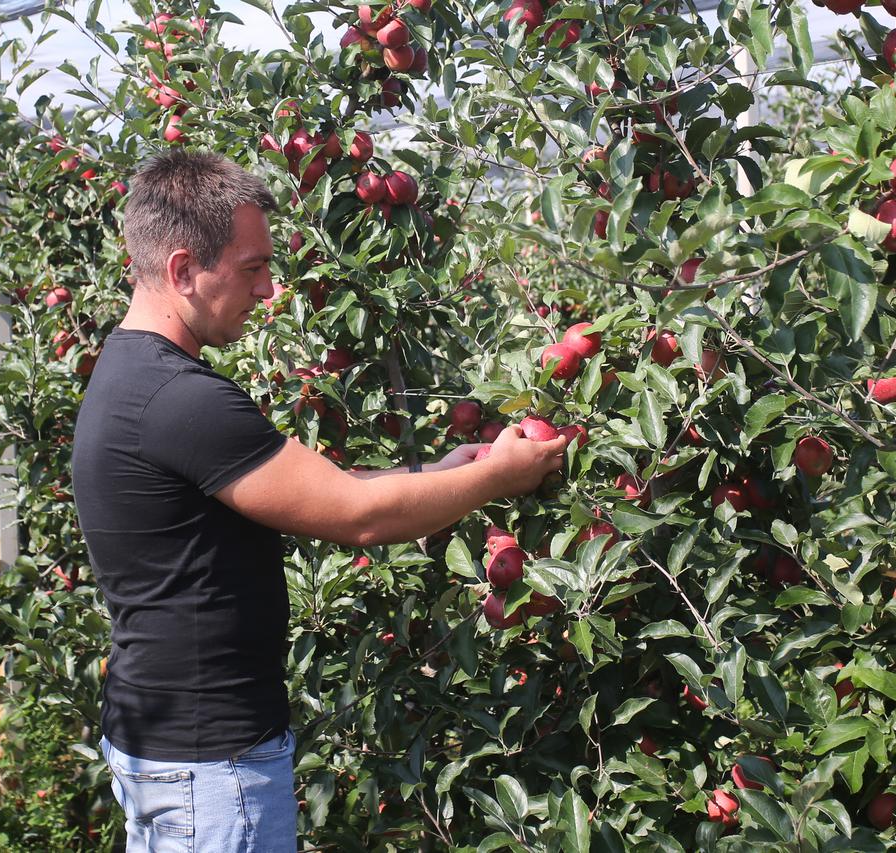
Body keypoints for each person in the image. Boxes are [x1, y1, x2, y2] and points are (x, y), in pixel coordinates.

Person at [71, 150, 566, 852]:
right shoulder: (180, 400)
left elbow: (314, 486)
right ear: (183, 270)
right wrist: (498, 478)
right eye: (252, 268)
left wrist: (438, 470)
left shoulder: (129, 372)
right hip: (211, 767)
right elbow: (359, 518)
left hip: (166, 744)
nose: (269, 289)